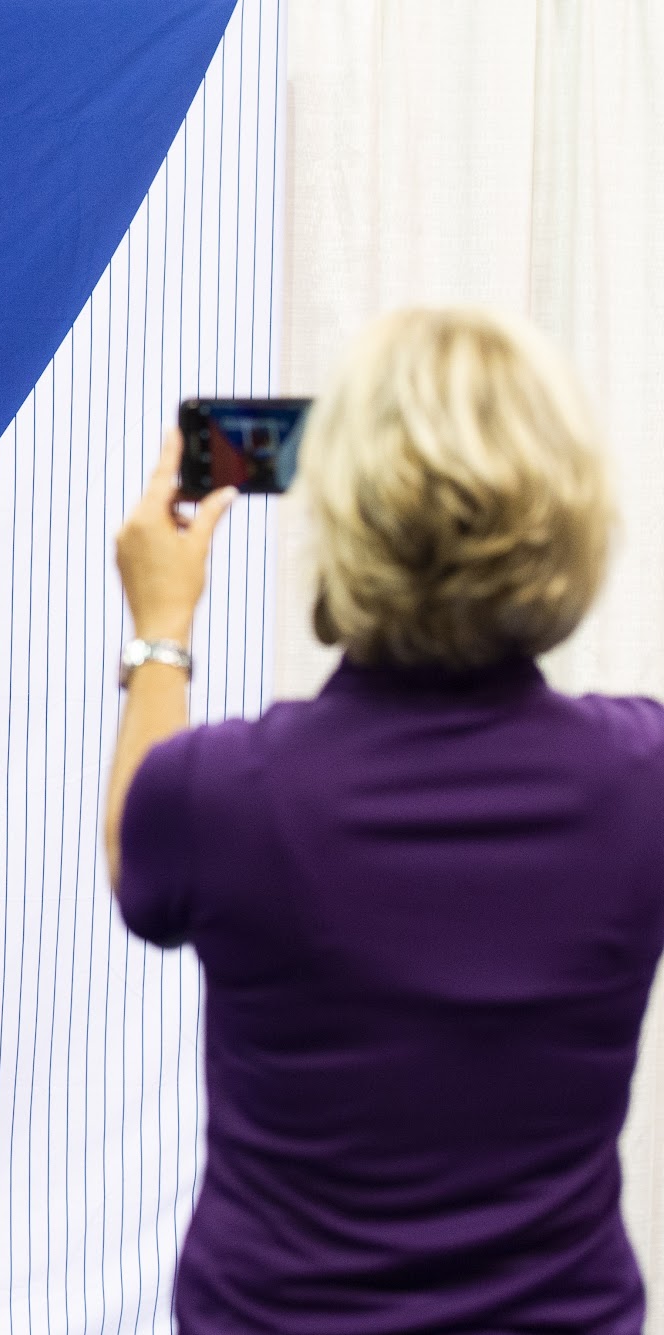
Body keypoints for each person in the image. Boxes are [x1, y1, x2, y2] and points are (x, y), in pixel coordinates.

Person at [104, 307, 664, 1332]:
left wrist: (161, 630)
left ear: (346, 519)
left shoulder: (222, 792)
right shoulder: (642, 779)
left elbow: (133, 855)